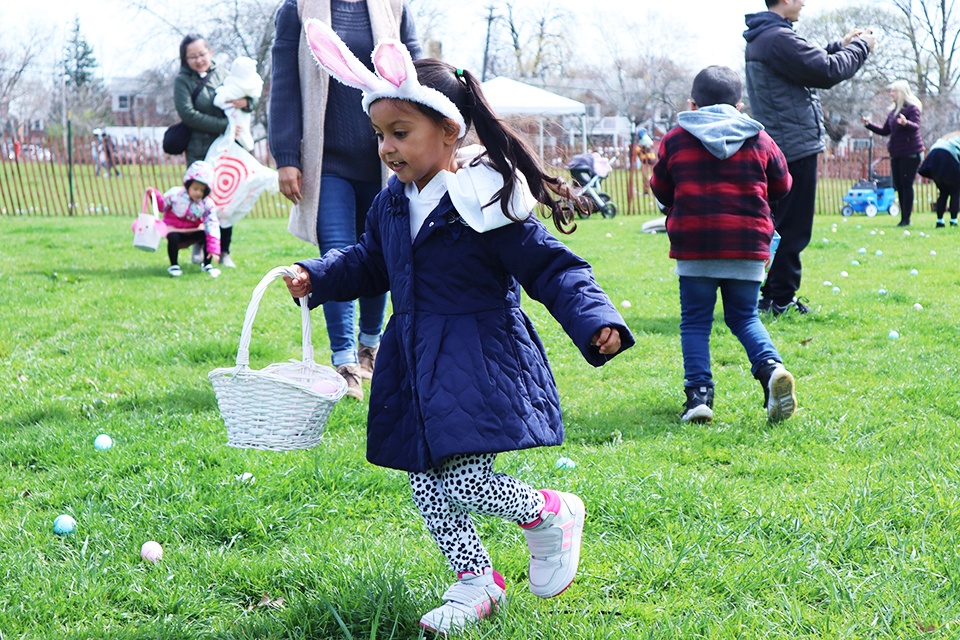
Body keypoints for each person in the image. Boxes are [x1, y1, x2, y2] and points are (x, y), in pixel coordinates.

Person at [284, 25, 635, 635]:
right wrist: (316, 275)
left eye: (401, 133)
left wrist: (595, 317)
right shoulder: (392, 201)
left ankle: (551, 511)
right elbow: (369, 261)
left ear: (449, 130)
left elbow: (551, 266)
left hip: (478, 356)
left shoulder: (485, 196)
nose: (388, 149)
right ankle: (475, 582)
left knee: (468, 478)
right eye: (380, 136)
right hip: (414, 356)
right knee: (427, 482)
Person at [269, 0, 421, 400]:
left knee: (381, 252)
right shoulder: (297, 9)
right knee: (335, 254)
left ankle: (369, 347)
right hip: (327, 162)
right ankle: (345, 362)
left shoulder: (394, 7)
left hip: (385, 160)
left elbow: (416, 71)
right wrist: (286, 157)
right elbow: (284, 84)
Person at [650, 65, 797, 424]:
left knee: (696, 322)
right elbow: (783, 185)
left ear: (692, 104)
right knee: (744, 316)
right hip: (747, 242)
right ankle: (770, 370)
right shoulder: (760, 139)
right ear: (740, 105)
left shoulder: (675, 139)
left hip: (695, 244)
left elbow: (660, 188)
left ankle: (699, 396)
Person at [744, 0, 875, 316]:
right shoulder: (777, 38)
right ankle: (781, 300)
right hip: (794, 146)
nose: (804, 2)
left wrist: (839, 45)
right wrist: (861, 47)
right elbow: (827, 70)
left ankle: (769, 295)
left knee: (779, 225)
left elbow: (808, 61)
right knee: (794, 227)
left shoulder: (768, 37)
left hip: (781, 145)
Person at [174, 33, 256, 269]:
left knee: (225, 198)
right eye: (192, 57)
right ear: (185, 59)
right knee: (200, 198)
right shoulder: (183, 81)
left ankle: (225, 250)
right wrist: (225, 125)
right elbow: (187, 114)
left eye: (202, 54)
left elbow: (249, 95)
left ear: (210, 52)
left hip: (225, 149)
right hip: (199, 150)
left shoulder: (224, 74)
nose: (198, 60)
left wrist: (247, 104)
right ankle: (199, 245)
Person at [860, 80, 924, 227]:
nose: (891, 94)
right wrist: (868, 125)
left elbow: (916, 126)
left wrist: (906, 123)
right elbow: (885, 131)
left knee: (906, 185)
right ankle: (903, 218)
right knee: (899, 186)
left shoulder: (912, 109)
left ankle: (906, 219)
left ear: (900, 92)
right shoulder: (893, 112)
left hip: (910, 153)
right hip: (896, 154)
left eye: (893, 91)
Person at [148, 160, 222, 278]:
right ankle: (174, 265)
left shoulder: (206, 204)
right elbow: (162, 206)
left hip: (193, 229)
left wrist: (214, 248)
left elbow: (212, 224)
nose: (198, 193)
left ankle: (207, 264)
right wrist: (155, 195)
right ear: (188, 185)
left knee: (205, 235)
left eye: (202, 190)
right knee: (173, 238)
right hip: (175, 229)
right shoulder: (175, 194)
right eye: (196, 188)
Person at [918, 132, 960, 228]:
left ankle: (939, 221)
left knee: (943, 192)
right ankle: (953, 220)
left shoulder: (947, 138)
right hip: (948, 156)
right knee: (955, 192)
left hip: (933, 158)